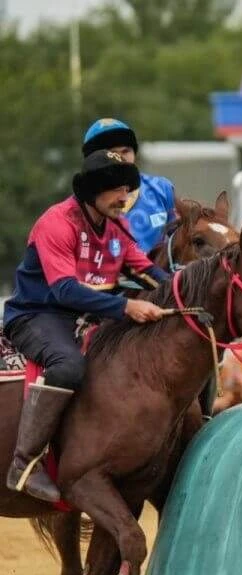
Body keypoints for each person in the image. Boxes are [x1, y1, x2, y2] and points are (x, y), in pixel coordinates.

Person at [3, 150, 170, 502]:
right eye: (115, 189)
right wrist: (126, 306)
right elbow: (64, 290)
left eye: (126, 188)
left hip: (88, 318)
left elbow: (149, 273)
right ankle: (24, 465)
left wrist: (187, 291)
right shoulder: (56, 222)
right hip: (37, 315)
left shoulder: (117, 230)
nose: (124, 197)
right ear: (93, 190)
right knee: (68, 365)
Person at [81, 118, 176, 256]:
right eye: (113, 153)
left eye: (126, 151)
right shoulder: (85, 203)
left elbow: (181, 240)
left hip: (158, 276)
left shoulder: (162, 189)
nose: (122, 159)